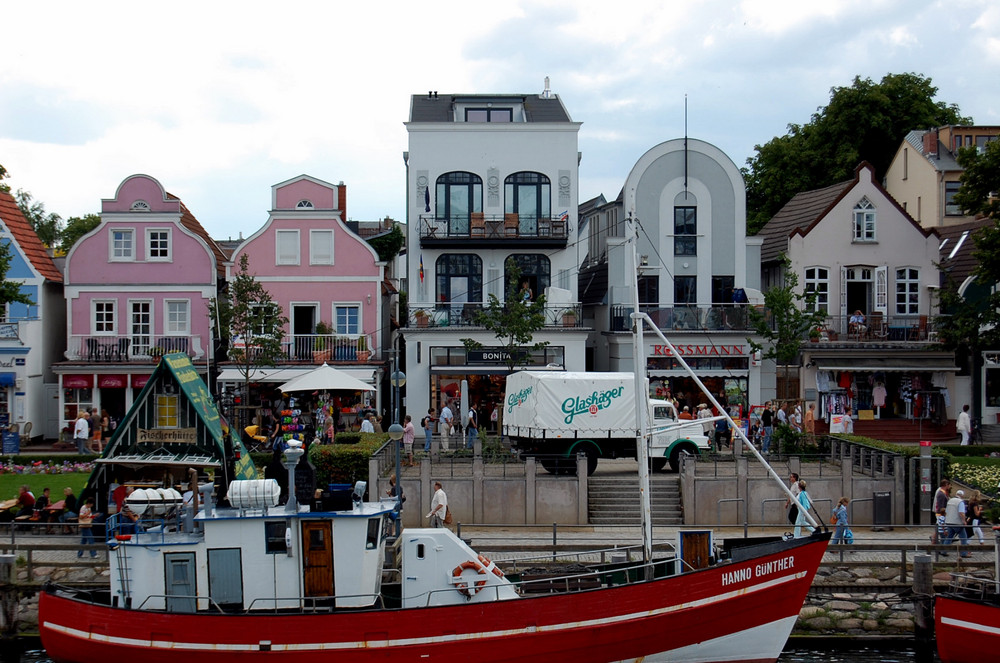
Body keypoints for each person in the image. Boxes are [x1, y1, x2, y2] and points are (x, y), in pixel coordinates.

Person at [942, 489, 971, 557]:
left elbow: (946, 511)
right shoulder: (960, 502)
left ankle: (944, 551)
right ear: (962, 496)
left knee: (949, 537)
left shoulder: (950, 500)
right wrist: (964, 521)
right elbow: (961, 513)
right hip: (957, 523)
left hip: (949, 521)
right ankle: (964, 553)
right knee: (964, 537)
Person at [932, 479, 951, 544]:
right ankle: (935, 540)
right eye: (949, 485)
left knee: (938, 526)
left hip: (941, 513)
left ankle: (934, 539)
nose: (949, 487)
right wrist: (943, 513)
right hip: (940, 513)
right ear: (946, 485)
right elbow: (941, 505)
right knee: (940, 525)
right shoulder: (941, 494)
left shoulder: (943, 493)